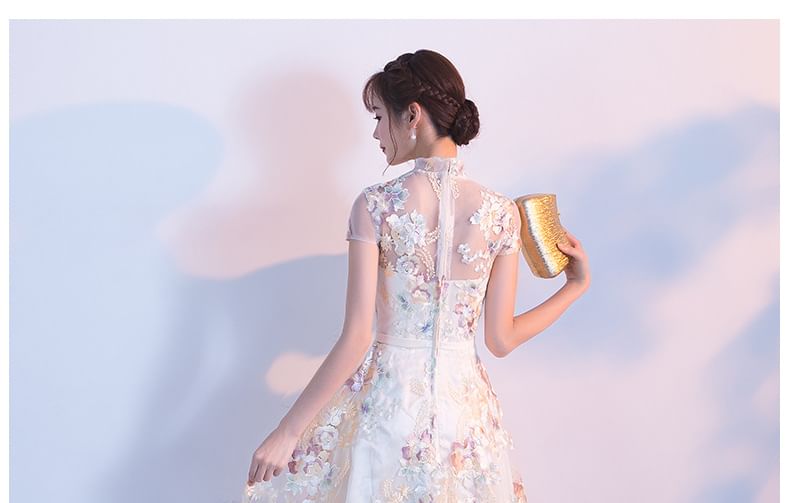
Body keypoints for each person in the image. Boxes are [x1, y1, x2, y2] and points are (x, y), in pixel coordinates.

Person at [241, 49, 590, 502]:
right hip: (466, 423)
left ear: (412, 114)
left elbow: (357, 338)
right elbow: (500, 340)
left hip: (389, 414)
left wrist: (288, 431)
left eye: (378, 117)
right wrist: (574, 288)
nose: (375, 133)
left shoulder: (375, 205)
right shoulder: (502, 214)